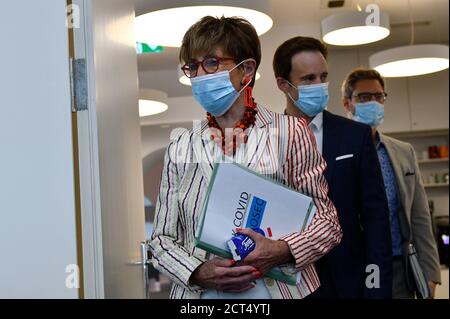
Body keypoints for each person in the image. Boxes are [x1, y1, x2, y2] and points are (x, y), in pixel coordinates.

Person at [149, 16, 342, 299]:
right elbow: (161, 241)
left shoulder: (290, 133)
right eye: (193, 66)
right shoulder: (182, 146)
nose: (201, 75)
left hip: (276, 291)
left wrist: (281, 250)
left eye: (212, 63)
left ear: (247, 69)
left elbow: (328, 223)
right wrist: (197, 271)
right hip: (202, 296)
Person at [273, 36, 392, 298]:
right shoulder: (267, 140)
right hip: (289, 281)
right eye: (308, 79)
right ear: (283, 84)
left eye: (323, 76)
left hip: (349, 281)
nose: (319, 85)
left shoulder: (355, 136)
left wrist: (376, 289)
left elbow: (375, 218)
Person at [341, 68, 442, 298]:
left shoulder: (402, 151)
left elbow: (419, 216)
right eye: (364, 97)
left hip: (399, 267)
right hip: (354, 267)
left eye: (379, 96)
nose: (373, 102)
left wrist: (430, 271)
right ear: (347, 103)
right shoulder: (337, 150)